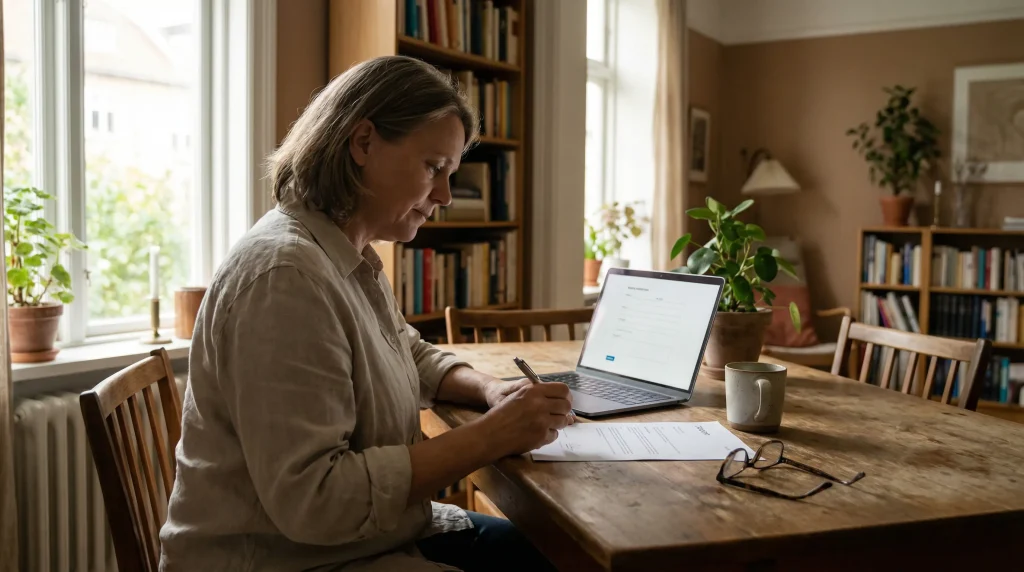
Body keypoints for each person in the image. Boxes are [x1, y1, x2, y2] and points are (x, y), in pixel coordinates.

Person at [158, 55, 572, 571]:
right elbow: (317, 500)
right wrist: (491, 436)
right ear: (363, 143)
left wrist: (488, 389)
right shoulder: (286, 278)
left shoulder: (345, 253)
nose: (444, 195)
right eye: (433, 168)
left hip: (360, 539)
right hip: (278, 558)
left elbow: (406, 350)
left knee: (554, 554)